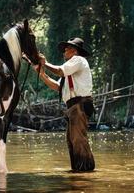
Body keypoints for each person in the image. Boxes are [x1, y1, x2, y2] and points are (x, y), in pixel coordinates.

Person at [34, 37, 95, 172]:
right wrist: (41, 73)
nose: (64, 52)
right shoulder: (70, 69)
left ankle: (85, 171)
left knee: (78, 140)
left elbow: (60, 71)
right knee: (72, 140)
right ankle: (79, 171)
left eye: (66, 49)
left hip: (80, 105)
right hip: (74, 107)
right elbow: (57, 86)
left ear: (74, 51)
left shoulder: (78, 60)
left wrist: (45, 63)